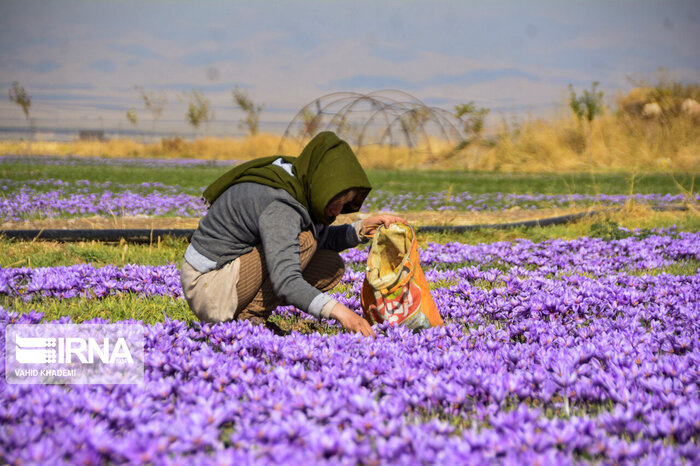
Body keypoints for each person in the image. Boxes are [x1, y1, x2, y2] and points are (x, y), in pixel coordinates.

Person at [180, 131, 405, 336]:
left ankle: (248, 314)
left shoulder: (298, 181)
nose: (337, 211)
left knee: (329, 264)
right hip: (208, 287)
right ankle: (250, 318)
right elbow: (286, 280)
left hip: (225, 275)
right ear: (323, 184)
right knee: (305, 241)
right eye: (336, 201)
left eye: (345, 204)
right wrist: (343, 314)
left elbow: (321, 238)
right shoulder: (282, 205)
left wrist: (361, 229)